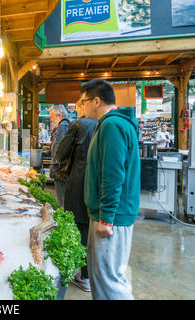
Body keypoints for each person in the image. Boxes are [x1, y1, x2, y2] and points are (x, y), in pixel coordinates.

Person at [82, 79, 140, 300]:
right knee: (103, 277)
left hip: (111, 218)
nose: (82, 106)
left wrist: (106, 217)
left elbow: (113, 174)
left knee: (110, 281)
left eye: (84, 101)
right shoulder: (110, 124)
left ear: (96, 101)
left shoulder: (112, 125)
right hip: (110, 214)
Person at [55, 98, 97, 292]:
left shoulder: (78, 124)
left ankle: (83, 275)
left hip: (78, 181)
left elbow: (61, 153)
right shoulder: (102, 124)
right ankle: (89, 273)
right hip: (95, 183)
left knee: (78, 226)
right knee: (89, 228)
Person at [49, 105, 70, 207]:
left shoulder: (63, 126)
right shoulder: (63, 126)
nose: (51, 119)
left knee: (61, 202)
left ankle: (63, 222)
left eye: (52, 116)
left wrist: (54, 169)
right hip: (61, 170)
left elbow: (59, 149)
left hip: (60, 171)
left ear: (59, 115)